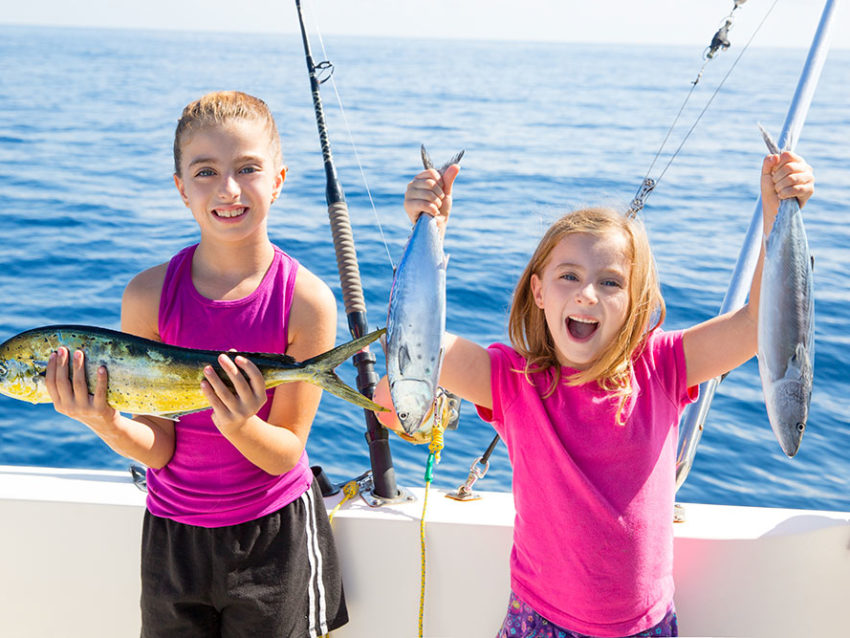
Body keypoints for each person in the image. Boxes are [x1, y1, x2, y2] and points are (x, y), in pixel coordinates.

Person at [375, 151, 814, 637]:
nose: (587, 293)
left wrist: (777, 214)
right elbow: (415, 348)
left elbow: (756, 324)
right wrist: (427, 229)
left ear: (635, 303)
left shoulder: (664, 367)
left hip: (645, 627)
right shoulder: (512, 380)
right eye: (569, 276)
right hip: (538, 621)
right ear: (538, 292)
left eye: (610, 282)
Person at [44, 91, 348, 637]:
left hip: (273, 536)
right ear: (181, 187)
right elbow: (159, 446)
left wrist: (239, 424)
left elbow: (284, 455)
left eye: (248, 168)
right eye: (206, 171)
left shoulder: (307, 302)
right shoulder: (147, 295)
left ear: (278, 179)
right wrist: (104, 419)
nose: (228, 189)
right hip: (172, 535)